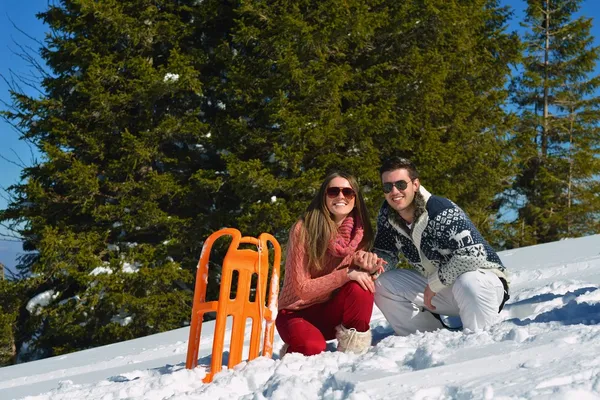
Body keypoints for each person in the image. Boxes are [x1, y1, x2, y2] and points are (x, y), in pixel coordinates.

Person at [367, 157, 509, 336]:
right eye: (388, 187)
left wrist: (435, 283)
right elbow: (386, 253)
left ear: (415, 184)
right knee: (382, 284)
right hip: (440, 293)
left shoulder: (441, 210)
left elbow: (474, 255)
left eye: (401, 184)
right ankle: (425, 338)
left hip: (482, 286)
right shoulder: (387, 215)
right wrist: (373, 267)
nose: (394, 192)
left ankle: (480, 340)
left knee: (468, 281)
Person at [276, 171, 385, 357]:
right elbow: (302, 288)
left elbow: (355, 271)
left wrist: (370, 267)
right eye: (333, 191)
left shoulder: (360, 233)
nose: (341, 196)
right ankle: (294, 348)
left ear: (355, 198)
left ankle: (353, 350)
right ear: (324, 196)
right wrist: (347, 274)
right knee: (312, 348)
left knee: (362, 286)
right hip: (297, 312)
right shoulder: (304, 229)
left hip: (331, 311)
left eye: (347, 192)